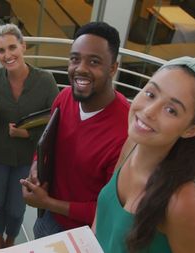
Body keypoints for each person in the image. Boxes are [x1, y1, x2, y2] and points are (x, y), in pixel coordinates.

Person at [94, 56, 195, 253]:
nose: (149, 111)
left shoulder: (182, 201)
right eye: (151, 94)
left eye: (171, 110)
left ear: (192, 130)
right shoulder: (132, 145)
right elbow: (101, 225)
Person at [20, 22, 130, 238]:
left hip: (85, 234)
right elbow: (47, 144)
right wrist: (35, 165)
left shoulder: (125, 134)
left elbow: (108, 210)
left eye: (94, 62)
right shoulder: (64, 97)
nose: (80, 68)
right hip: (47, 219)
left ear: (113, 68)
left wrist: (47, 202)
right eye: (75, 59)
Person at [0, 24, 59, 252]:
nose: (7, 55)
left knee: (16, 208)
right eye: (1, 51)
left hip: (26, 159)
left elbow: (55, 125)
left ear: (23, 46)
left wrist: (27, 134)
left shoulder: (46, 80)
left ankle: (10, 243)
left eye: (12, 47)